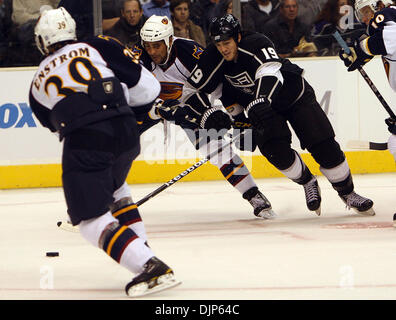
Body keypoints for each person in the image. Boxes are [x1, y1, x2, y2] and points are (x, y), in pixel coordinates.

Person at [29, 7, 180, 297]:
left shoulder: (36, 83)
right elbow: (149, 90)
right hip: (126, 130)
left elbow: (55, 122)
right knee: (116, 187)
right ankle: (139, 250)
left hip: (86, 140)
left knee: (89, 221)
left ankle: (150, 266)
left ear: (41, 42)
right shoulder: (98, 45)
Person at [186, 13, 376, 216]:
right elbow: (195, 92)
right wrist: (224, 117)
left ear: (238, 37)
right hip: (259, 110)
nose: (223, 49)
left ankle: (348, 193)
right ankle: (307, 181)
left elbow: (270, 71)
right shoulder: (212, 58)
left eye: (227, 42)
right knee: (276, 153)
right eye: (218, 44)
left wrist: (261, 100)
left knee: (323, 144)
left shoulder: (256, 43)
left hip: (292, 94)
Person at [133, 15, 276, 219]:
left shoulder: (189, 52)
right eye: (148, 46)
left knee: (215, 148)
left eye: (157, 46)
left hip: (186, 107)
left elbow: (218, 84)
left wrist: (233, 114)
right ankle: (105, 198)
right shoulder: (138, 56)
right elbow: (131, 92)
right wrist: (158, 107)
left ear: (169, 41)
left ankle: (253, 195)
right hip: (151, 106)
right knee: (119, 137)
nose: (152, 52)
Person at [339, 0, 396, 162]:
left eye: (366, 11)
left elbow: (389, 39)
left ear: (379, 4)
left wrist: (360, 49)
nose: (364, 19)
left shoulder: (388, 13)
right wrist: (363, 54)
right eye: (361, 14)